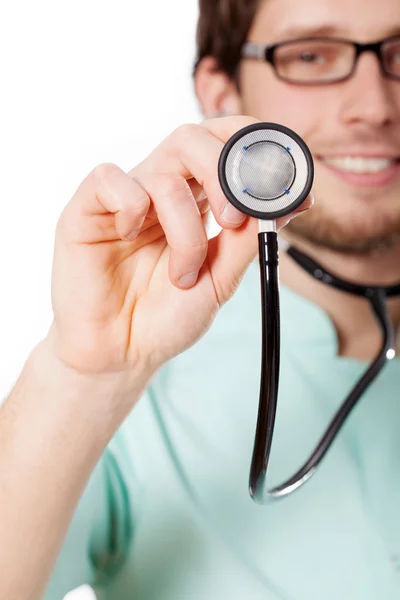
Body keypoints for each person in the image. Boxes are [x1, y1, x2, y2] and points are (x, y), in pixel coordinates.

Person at [2, 0, 400, 597]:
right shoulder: (136, 386)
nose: (374, 107)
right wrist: (80, 376)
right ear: (221, 91)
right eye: (311, 55)